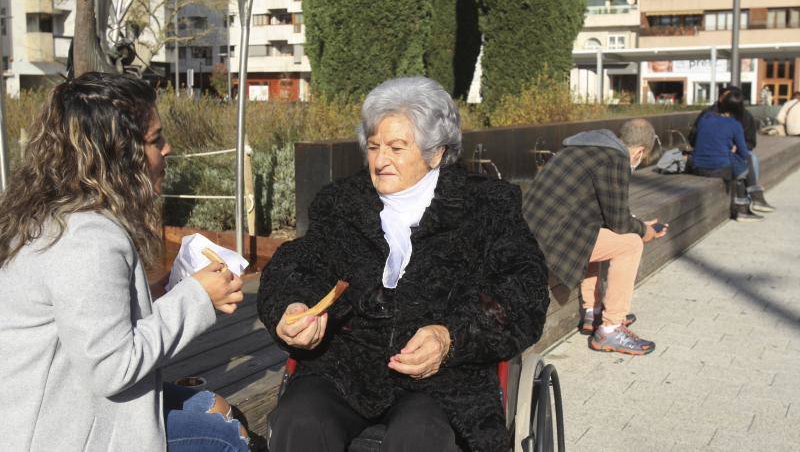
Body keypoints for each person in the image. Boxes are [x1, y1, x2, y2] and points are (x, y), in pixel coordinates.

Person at [258, 76, 550, 452]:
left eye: (397, 148)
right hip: (346, 369)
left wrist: (451, 337)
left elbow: (523, 289)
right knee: (299, 419)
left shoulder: (485, 206)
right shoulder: (342, 203)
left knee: (419, 436)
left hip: (442, 379)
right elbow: (298, 264)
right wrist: (293, 305)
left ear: (437, 152)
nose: (380, 161)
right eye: (374, 146)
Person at [0, 73, 248, 451]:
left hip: (63, 404)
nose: (166, 149)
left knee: (213, 406)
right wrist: (197, 297)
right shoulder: (86, 238)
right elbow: (111, 367)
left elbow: (90, 322)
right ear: (118, 154)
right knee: (225, 438)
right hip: (55, 431)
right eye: (154, 140)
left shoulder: (51, 216)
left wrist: (162, 293)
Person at [522, 119, 666, 356]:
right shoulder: (615, 159)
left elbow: (608, 215)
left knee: (602, 234)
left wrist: (638, 224)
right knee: (630, 244)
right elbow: (620, 224)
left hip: (534, 231)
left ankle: (593, 311)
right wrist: (644, 231)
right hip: (548, 241)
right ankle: (610, 329)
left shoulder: (587, 148)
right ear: (641, 151)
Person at [689, 86, 774, 212]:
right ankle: (750, 203)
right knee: (747, 161)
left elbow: (750, 142)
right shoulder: (734, 123)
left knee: (744, 161)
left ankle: (750, 202)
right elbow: (744, 153)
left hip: (698, 163)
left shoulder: (706, 117)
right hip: (718, 163)